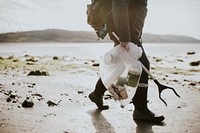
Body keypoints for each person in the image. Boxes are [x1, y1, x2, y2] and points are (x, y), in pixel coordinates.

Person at [89, 0, 165, 123]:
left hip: (127, 31)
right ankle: (140, 110)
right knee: (143, 65)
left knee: (119, 66)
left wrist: (135, 34)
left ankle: (96, 94)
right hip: (125, 32)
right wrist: (125, 38)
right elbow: (119, 5)